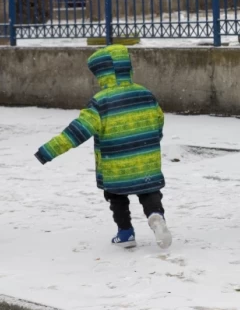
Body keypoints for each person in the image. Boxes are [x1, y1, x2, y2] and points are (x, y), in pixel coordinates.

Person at [34, 45, 171, 249]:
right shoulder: (145, 94)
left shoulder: (100, 102)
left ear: (102, 74)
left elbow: (76, 132)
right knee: (149, 191)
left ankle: (125, 233)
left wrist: (47, 151)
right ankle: (155, 216)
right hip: (146, 160)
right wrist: (151, 139)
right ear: (127, 68)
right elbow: (158, 120)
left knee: (116, 196)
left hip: (115, 165)